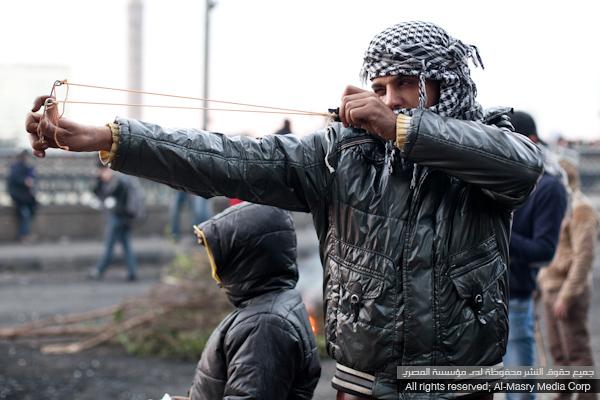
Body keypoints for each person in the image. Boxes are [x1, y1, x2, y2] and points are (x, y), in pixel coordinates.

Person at [27, 21, 543, 399]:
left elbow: (522, 167)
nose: (389, 100)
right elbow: (226, 158)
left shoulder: (492, 146)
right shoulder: (341, 155)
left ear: (443, 83)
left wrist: (401, 129)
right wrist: (110, 138)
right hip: (364, 383)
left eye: (404, 83)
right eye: (379, 88)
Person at [188, 202, 321, 399]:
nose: (216, 275)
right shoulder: (270, 308)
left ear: (241, 259)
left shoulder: (265, 325)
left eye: (219, 259)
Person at [503, 111, 568, 400]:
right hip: (475, 300)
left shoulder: (549, 187)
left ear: (530, 142)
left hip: (514, 298)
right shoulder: (501, 178)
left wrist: (496, 233)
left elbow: (544, 251)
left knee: (518, 391)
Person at [538, 159, 598, 400]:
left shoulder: (581, 210)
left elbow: (584, 258)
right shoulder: (560, 207)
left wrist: (567, 295)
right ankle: (562, 395)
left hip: (568, 291)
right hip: (551, 288)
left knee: (577, 353)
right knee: (558, 352)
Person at [90, 164, 139, 282]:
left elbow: (105, 194)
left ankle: (99, 270)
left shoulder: (117, 182)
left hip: (118, 218)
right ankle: (132, 271)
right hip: (126, 218)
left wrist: (99, 179)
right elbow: (97, 191)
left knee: (110, 245)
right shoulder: (122, 179)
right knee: (126, 245)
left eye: (103, 171)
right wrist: (99, 179)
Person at [7, 149, 37, 242]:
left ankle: (24, 234)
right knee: (25, 214)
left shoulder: (28, 167)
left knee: (26, 214)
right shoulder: (17, 167)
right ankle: (24, 235)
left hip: (24, 197)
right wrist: (25, 181)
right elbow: (15, 179)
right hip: (19, 197)